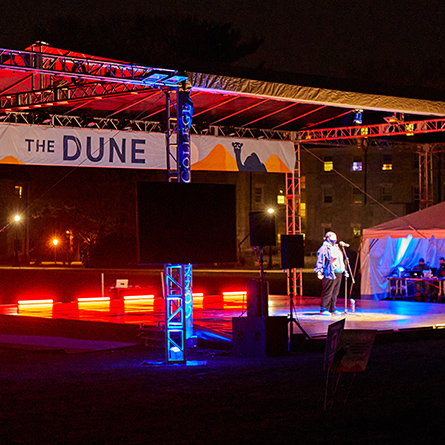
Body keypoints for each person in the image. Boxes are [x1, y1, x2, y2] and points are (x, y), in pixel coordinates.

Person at [314, 231, 347, 315]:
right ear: (328, 238)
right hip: (330, 272)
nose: (335, 240)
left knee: (335, 292)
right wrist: (319, 271)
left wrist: (344, 269)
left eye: (335, 238)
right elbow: (320, 260)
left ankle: (332, 308)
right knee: (328, 291)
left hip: (338, 271)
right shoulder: (324, 248)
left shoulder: (336, 247)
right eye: (333, 238)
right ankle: (324, 308)